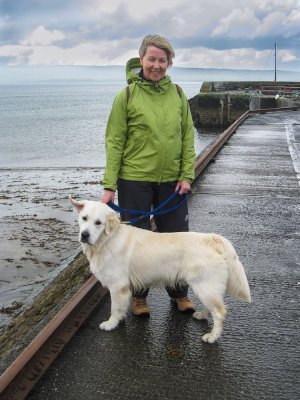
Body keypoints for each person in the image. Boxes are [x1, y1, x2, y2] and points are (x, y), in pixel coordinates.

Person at [101, 34, 196, 316]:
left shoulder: (177, 94)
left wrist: (186, 175)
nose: (157, 65)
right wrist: (109, 185)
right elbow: (114, 141)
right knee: (137, 243)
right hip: (134, 179)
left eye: (162, 60)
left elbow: (187, 136)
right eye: (152, 59)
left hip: (171, 181)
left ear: (169, 63)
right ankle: (139, 298)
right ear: (141, 59)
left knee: (176, 239)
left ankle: (179, 294)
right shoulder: (127, 95)